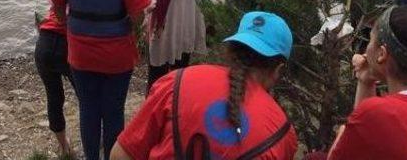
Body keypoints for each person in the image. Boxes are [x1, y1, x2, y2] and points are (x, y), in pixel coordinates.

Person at [110, 11, 298, 160]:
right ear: (279, 69)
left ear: (231, 50)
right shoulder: (282, 134)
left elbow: (121, 154)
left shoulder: (176, 81)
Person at [47, 0, 150, 160]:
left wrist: (76, 26)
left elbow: (58, 11)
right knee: (114, 112)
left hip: (80, 54)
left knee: (88, 109)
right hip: (117, 56)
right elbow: (138, 17)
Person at [328, 5, 407, 159]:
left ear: (381, 54)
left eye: (370, 39)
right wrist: (365, 81)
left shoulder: (380, 113)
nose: (366, 47)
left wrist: (343, 133)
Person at [34, 6, 75, 157]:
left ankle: (64, 147)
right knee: (86, 97)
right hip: (66, 46)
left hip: (43, 44)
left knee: (54, 98)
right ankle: (97, 136)